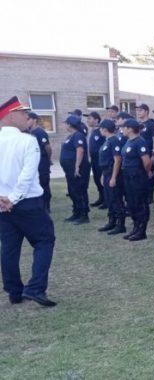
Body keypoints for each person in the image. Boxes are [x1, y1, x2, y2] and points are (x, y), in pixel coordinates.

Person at [0, 96, 57, 307]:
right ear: (10, 115)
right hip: (25, 202)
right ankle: (35, 288)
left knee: (9, 247)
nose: (27, 116)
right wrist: (12, 199)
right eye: (22, 112)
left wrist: (4, 200)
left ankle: (14, 291)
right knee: (44, 240)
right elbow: (27, 175)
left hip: (3, 204)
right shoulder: (27, 140)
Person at [120, 119, 152, 241]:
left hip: (137, 177)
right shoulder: (128, 141)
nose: (122, 129)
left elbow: (147, 162)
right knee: (132, 203)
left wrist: (146, 172)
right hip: (128, 177)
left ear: (130, 129)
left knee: (140, 203)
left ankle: (142, 230)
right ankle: (135, 227)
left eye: (124, 127)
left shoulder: (140, 142)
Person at [96, 119, 127, 235]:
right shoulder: (107, 141)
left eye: (101, 128)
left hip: (113, 173)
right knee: (109, 199)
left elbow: (117, 160)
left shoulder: (114, 140)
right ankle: (112, 221)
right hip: (106, 173)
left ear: (105, 129)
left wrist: (113, 177)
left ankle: (120, 224)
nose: (99, 130)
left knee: (116, 199)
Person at [60, 115, 91, 224]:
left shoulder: (78, 135)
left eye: (66, 123)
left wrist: (77, 166)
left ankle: (84, 215)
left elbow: (80, 150)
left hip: (79, 169)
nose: (65, 125)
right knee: (72, 191)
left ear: (69, 124)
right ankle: (76, 212)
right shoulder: (71, 136)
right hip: (69, 170)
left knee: (80, 191)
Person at [26, 112, 52, 212]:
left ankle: (46, 206)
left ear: (34, 120)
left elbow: (48, 148)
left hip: (42, 161)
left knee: (44, 183)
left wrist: (48, 159)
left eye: (28, 119)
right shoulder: (28, 132)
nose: (26, 121)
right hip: (33, 162)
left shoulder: (40, 132)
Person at [135, 104, 154, 205]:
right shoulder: (137, 124)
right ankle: (143, 194)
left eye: (141, 110)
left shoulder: (151, 124)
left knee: (149, 174)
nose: (138, 112)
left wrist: (153, 152)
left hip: (148, 153)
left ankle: (150, 195)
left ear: (146, 111)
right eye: (137, 110)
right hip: (139, 154)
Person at [86, 111, 106, 208]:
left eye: (90, 118)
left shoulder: (101, 131)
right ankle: (101, 198)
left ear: (96, 120)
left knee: (102, 179)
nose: (87, 120)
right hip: (93, 160)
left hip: (100, 159)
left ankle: (106, 200)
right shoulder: (93, 131)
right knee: (97, 179)